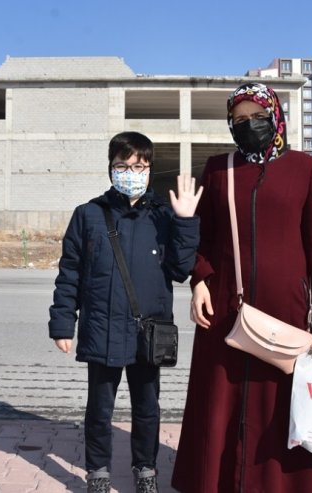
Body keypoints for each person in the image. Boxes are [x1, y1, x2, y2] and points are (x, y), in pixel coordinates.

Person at [171, 82, 312, 493]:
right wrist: (200, 281)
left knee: (283, 402)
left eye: (258, 117)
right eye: (239, 120)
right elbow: (206, 238)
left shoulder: (305, 168)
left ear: (276, 116)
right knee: (219, 401)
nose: (249, 126)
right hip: (224, 308)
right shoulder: (218, 169)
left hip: (286, 310)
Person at [48, 131, 202, 493]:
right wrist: (62, 323)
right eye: (123, 165)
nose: (130, 172)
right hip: (102, 327)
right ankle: (98, 472)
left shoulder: (163, 217)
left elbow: (181, 269)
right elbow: (70, 271)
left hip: (149, 331)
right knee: (99, 411)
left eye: (139, 166)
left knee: (147, 409)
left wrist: (185, 221)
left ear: (149, 170)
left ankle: (145, 470)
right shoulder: (88, 215)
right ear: (111, 168)